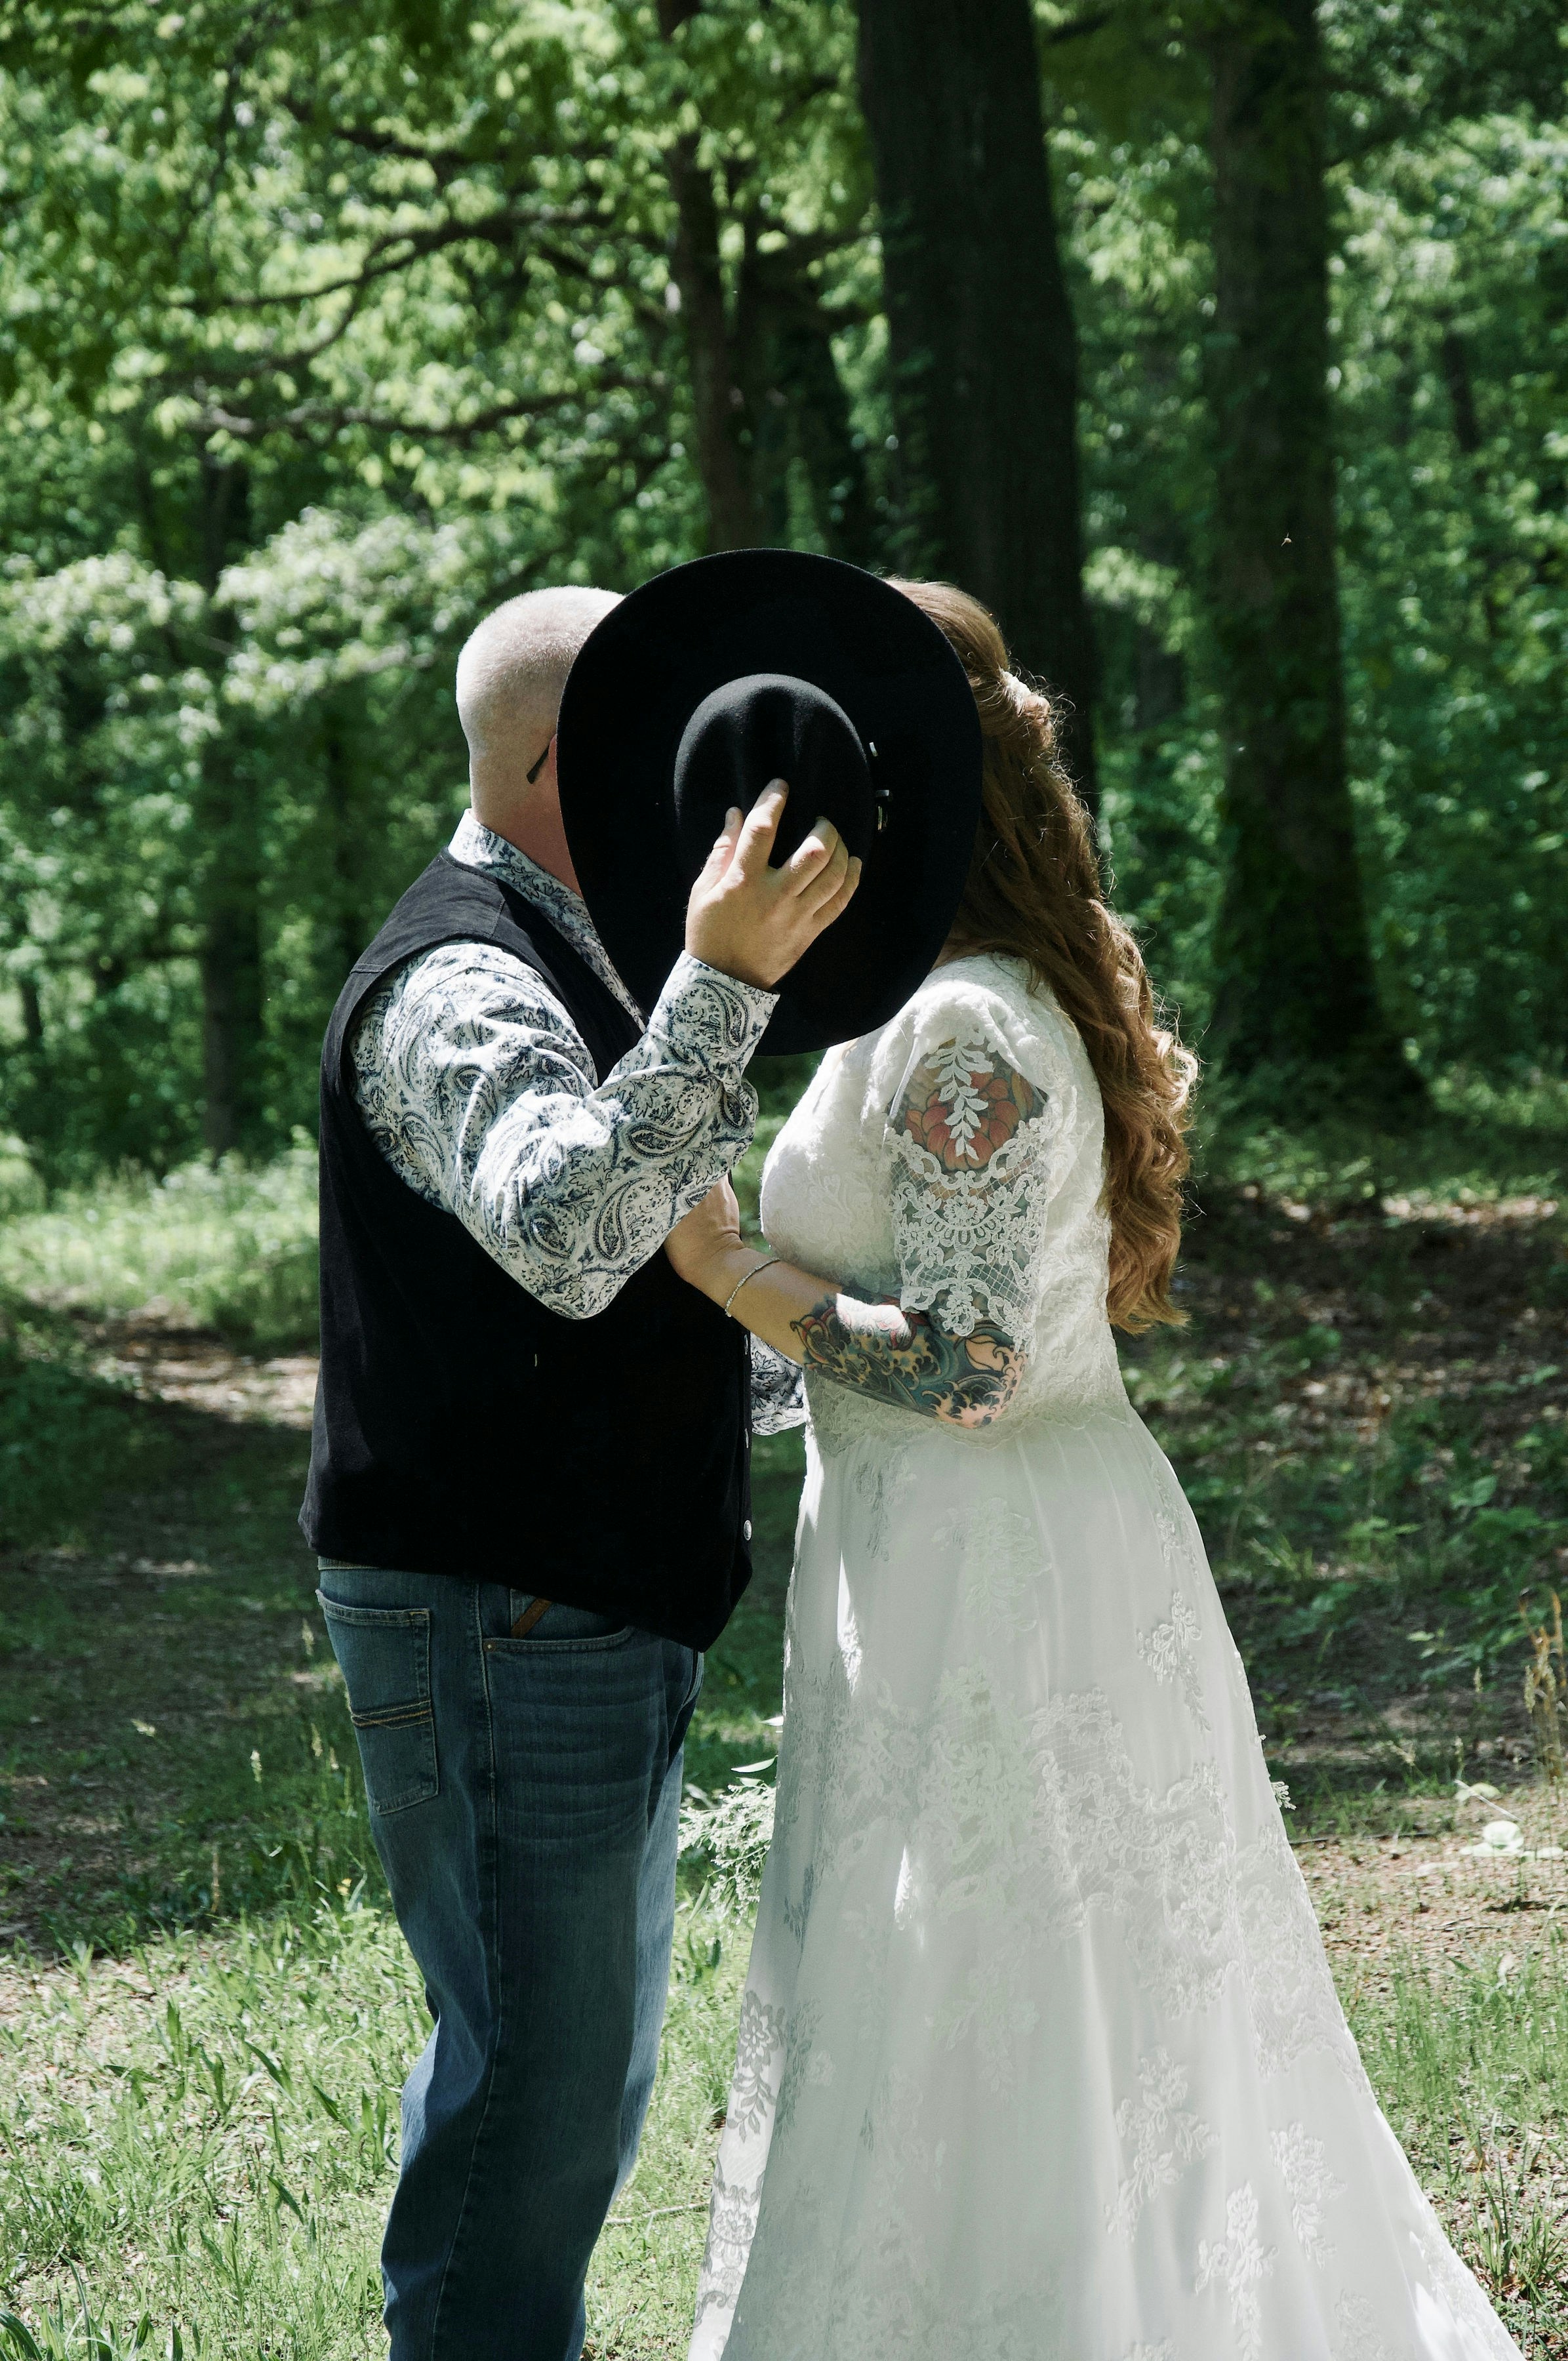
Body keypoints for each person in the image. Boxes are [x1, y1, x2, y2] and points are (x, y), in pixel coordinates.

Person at [667, 580, 1521, 2360]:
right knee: (969, 1980)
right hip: (931, 1547)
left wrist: (733, 1274)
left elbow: (972, 1366)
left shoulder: (966, 1025)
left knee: (1012, 1980)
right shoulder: (938, 1002)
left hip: (1002, 1559)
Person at [301, 582, 859, 2361]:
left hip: (578, 1601)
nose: (705, 781)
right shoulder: (464, 974)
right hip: (497, 1607)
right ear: (559, 760)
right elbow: (564, 1231)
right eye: (660, 733)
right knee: (531, 2097)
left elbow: (659, 1252)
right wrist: (724, 987)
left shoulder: (602, 936)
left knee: (568, 2070)